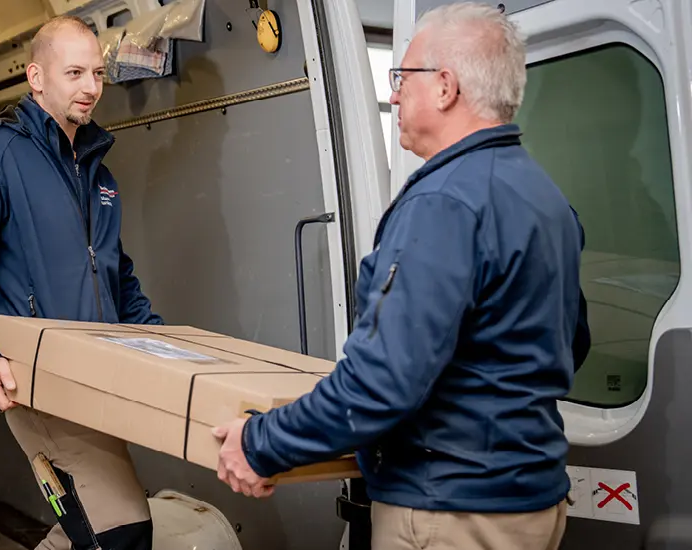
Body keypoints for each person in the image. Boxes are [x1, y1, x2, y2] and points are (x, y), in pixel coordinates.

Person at [212, 3, 591, 549]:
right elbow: (568, 347)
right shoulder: (543, 198)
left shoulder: (443, 203)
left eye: (401, 77)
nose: (393, 94)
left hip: (451, 512)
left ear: (445, 87)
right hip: (530, 503)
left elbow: (380, 385)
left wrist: (260, 443)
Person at [0, 15, 162, 550]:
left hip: (95, 370)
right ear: (36, 76)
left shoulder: (96, 172)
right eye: (74, 73)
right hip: (35, 374)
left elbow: (114, 273)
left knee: (89, 526)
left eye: (98, 74)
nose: (90, 88)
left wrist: (159, 342)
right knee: (122, 527)